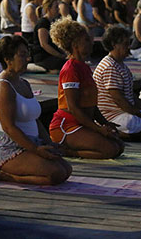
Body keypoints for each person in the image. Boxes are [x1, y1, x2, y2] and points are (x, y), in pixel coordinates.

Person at [0, 35, 72, 184]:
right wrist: (36, 150)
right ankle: (6, 175)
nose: (27, 59)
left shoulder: (24, 83)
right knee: (55, 174)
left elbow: (34, 119)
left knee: (66, 169)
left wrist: (49, 143)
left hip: (31, 143)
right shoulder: (3, 87)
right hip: (7, 146)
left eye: (27, 54)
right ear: (7, 59)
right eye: (22, 55)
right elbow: (9, 127)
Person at [47, 19, 124, 158]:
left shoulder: (84, 67)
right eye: (86, 40)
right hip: (67, 126)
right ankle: (65, 150)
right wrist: (99, 129)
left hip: (83, 123)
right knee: (110, 150)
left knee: (119, 146)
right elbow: (73, 108)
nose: (91, 42)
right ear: (76, 45)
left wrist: (105, 124)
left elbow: (92, 106)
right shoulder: (70, 69)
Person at [93, 26, 141, 140]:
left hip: (122, 112)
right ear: (114, 45)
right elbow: (119, 99)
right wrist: (140, 114)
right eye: (125, 44)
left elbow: (130, 96)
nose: (128, 47)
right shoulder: (109, 67)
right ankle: (115, 132)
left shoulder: (120, 65)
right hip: (111, 115)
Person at [31, 0, 66, 72]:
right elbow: (44, 44)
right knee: (64, 63)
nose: (58, 9)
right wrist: (59, 55)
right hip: (43, 56)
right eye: (56, 7)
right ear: (49, 9)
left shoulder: (52, 21)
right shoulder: (43, 23)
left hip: (51, 55)